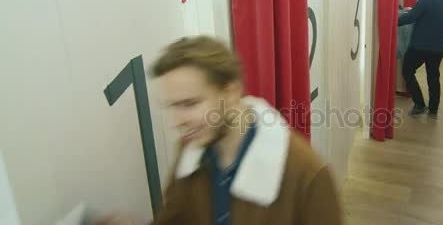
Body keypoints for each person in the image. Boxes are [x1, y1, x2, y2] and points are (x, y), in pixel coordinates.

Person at [100, 36, 343, 224]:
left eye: (190, 104)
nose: (176, 122)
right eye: (172, 106)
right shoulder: (190, 150)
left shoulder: (308, 175)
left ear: (231, 91)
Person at [398, 0, 443, 119]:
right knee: (433, 75)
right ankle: (433, 109)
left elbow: (411, 18)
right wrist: (414, 10)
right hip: (439, 47)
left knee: (407, 71)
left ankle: (419, 104)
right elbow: (434, 16)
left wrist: (392, 20)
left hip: (420, 45)